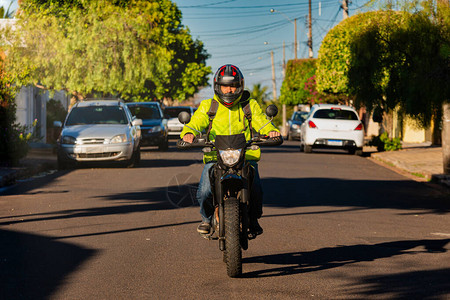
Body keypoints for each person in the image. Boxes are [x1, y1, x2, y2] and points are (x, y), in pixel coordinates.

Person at [180, 64, 280, 235]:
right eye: (225, 86)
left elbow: (261, 121)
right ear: (217, 86)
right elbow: (195, 123)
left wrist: (271, 131)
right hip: (215, 157)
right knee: (204, 191)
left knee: (256, 189)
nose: (229, 90)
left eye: (233, 86)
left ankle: (253, 218)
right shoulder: (208, 106)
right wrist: (188, 132)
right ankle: (206, 218)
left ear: (240, 86)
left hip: (245, 156)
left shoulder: (249, 105)